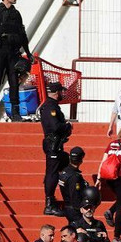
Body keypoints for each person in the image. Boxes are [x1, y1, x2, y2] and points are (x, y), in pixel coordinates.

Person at [0, 0, 32, 121]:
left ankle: (15, 113)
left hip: (13, 53)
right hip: (0, 52)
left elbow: (22, 34)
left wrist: (28, 53)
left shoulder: (16, 14)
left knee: (14, 82)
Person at [39, 81, 73, 216]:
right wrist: (67, 126)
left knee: (64, 164)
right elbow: (55, 127)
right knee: (52, 173)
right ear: (57, 92)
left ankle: (69, 196)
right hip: (53, 144)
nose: (63, 94)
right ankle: (49, 204)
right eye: (61, 91)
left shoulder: (51, 105)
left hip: (56, 144)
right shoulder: (50, 107)